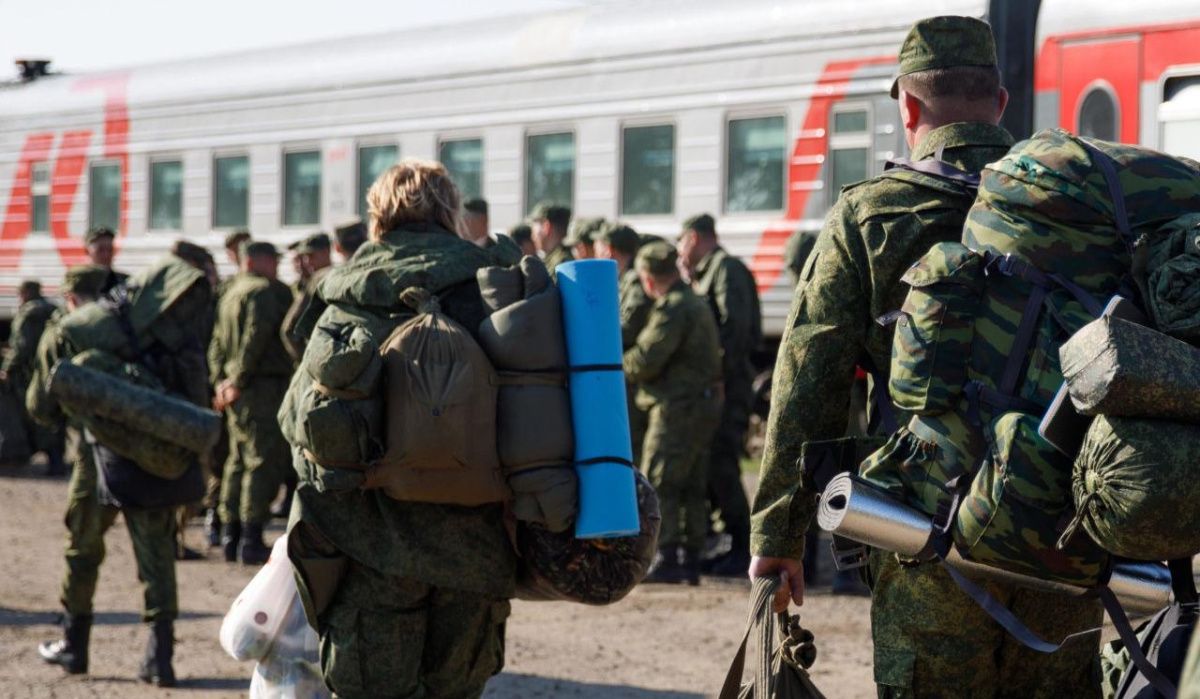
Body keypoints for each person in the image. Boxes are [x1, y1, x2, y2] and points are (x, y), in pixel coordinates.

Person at [749, 16, 1102, 696]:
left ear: (907, 107)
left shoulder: (869, 215)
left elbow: (806, 384)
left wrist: (779, 535)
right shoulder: (1076, 211)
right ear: (1001, 105)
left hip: (926, 534)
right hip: (1063, 530)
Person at [283, 159, 515, 697]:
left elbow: (297, 423)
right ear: (448, 211)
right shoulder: (493, 284)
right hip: (475, 552)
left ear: (378, 217)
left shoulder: (342, 293)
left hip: (371, 548)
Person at [32, 260, 212, 687]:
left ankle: (75, 647)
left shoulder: (75, 330)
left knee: (82, 548)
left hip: (96, 460)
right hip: (155, 459)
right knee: (157, 557)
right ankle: (159, 659)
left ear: (72, 297)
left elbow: (41, 408)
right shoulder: (166, 332)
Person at [624, 243, 722, 586]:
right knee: (692, 482)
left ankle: (664, 555)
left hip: (677, 407)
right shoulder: (693, 301)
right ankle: (690, 557)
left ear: (649, 279)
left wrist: (611, 365)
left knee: (659, 479)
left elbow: (645, 359)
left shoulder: (674, 308)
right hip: (700, 404)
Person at [676, 213, 761, 576]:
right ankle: (732, 540)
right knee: (713, 461)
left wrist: (717, 376)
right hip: (714, 383)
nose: (679, 250)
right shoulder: (706, 272)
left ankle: (744, 544)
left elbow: (734, 329)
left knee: (723, 461)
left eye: (681, 242)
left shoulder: (725, 269)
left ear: (693, 238)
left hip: (727, 383)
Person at [209, 241, 294, 565]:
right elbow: (254, 339)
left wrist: (221, 382)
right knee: (261, 461)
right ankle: (251, 537)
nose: (277, 267)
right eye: (274, 260)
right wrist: (240, 380)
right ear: (259, 261)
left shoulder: (230, 291)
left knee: (236, 460)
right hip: (261, 387)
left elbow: (216, 342)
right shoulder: (266, 291)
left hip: (234, 390)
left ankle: (230, 534)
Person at [596, 222, 656, 466]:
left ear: (609, 249)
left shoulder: (633, 281)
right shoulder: (625, 280)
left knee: (635, 446)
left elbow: (630, 326)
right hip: (632, 375)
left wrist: (596, 333)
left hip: (636, 378)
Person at [1, 281, 63, 474]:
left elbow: (21, 347)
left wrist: (7, 369)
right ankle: (57, 462)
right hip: (56, 370)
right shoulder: (54, 310)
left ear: (26, 293)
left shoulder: (27, 314)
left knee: (33, 413)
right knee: (55, 416)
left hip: (30, 373)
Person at [282, 232, 334, 362]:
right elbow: (289, 329)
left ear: (327, 252)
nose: (307, 262)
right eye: (305, 257)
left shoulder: (318, 281)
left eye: (311, 256)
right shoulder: (311, 283)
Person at [459, 198, 523, 266]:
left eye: (467, 219)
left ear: (483, 220)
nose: (462, 225)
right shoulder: (458, 250)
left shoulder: (502, 254)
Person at [531, 203, 573, 274]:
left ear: (546, 227)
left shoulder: (561, 263)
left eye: (533, 227)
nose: (532, 235)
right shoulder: (556, 259)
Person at [83, 227, 128, 291]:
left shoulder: (125, 282)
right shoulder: (79, 283)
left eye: (110, 250)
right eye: (100, 250)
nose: (106, 255)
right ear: (87, 251)